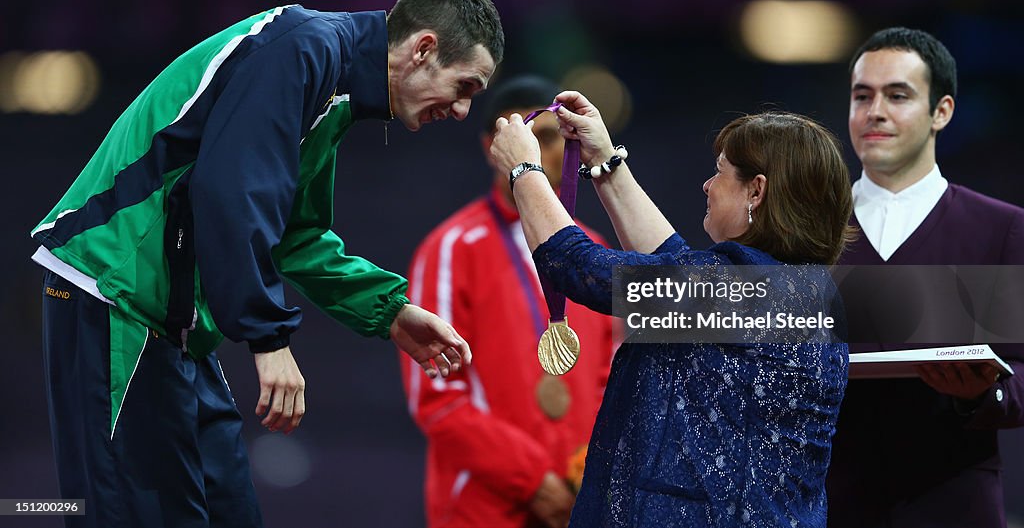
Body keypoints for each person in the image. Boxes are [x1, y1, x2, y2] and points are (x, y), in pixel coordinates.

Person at [31, 0, 503, 528]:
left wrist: (390, 310)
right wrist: (268, 337)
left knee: (229, 512)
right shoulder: (304, 46)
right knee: (131, 515)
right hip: (111, 292)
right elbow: (231, 190)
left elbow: (295, 234)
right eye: (466, 86)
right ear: (423, 49)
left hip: (173, 324)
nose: (465, 110)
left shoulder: (336, 86)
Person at [490, 91, 854, 527]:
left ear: (756, 191)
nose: (707, 185)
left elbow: (579, 266)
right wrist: (606, 162)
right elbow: (675, 267)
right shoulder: (800, 292)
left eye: (719, 172)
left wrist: (524, 171)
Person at [826, 27, 1024, 528]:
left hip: (955, 502)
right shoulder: (805, 230)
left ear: (942, 111)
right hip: (830, 503)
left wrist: (982, 392)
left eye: (898, 95)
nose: (875, 111)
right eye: (861, 95)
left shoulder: (1001, 228)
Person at [401, 76, 618, 528]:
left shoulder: (594, 253)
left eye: (558, 140)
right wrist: (533, 480)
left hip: (580, 504)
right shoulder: (452, 249)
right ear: (493, 146)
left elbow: (609, 383)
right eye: (537, 138)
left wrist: (589, 472)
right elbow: (437, 398)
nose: (550, 154)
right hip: (484, 508)